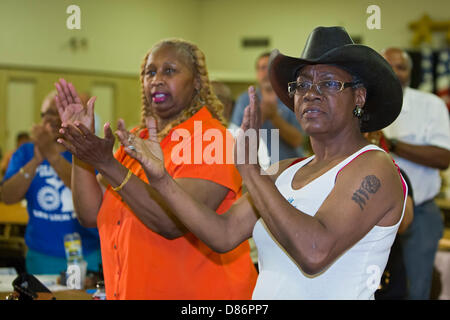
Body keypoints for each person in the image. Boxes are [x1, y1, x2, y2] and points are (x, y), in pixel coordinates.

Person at [113, 26, 407, 299]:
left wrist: (251, 173)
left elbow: (315, 252)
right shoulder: (283, 171)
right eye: (302, 85)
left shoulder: (374, 166)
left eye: (328, 83)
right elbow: (223, 233)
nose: (311, 94)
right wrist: (162, 179)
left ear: (359, 96)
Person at [54, 39, 258, 300]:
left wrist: (106, 163)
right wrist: (81, 149)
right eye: (150, 72)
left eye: (170, 70)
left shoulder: (212, 140)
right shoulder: (137, 140)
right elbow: (90, 214)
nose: (157, 79)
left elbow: (171, 223)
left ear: (197, 82)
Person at [1, 91, 101, 275]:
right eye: (48, 113)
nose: (53, 118)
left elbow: (93, 197)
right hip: (42, 257)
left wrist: (52, 155)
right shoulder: (25, 152)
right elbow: (7, 197)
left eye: (59, 111)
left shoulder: (87, 152)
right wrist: (35, 162)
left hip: (87, 256)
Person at [381, 47, 450, 300]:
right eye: (390, 65)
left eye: (402, 67)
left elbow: (444, 158)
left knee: (415, 291)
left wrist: (393, 145)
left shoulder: (430, 105)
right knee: (376, 288)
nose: (396, 72)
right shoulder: (363, 102)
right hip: (371, 217)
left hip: (419, 213)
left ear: (411, 72)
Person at [230, 51, 306, 164]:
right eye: (262, 68)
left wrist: (275, 117)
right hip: (256, 170)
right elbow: (235, 141)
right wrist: (258, 119)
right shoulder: (244, 100)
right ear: (257, 73)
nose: (265, 72)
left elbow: (298, 140)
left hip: (290, 169)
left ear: (277, 72)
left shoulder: (293, 97)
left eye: (269, 67)